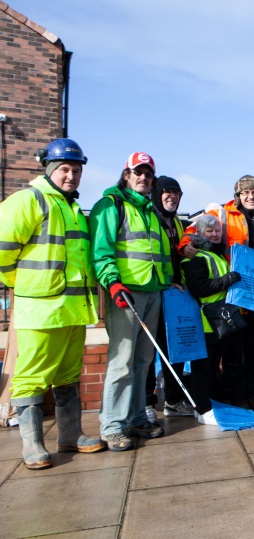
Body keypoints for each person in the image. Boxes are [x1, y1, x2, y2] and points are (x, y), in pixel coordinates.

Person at [0, 139, 104, 469]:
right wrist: (20, 284)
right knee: (31, 377)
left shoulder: (71, 207)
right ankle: (33, 447)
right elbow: (3, 249)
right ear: (49, 170)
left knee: (68, 376)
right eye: (64, 169)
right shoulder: (29, 200)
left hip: (72, 311)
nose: (71, 176)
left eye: (76, 170)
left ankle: (70, 436)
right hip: (41, 310)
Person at [90, 152, 173, 451]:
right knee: (122, 361)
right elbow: (101, 250)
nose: (143, 178)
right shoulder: (111, 205)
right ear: (126, 175)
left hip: (153, 291)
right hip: (125, 294)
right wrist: (112, 283)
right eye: (137, 172)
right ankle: (112, 425)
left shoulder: (150, 210)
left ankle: (137, 417)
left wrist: (167, 281)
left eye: (148, 174)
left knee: (143, 361)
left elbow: (157, 254)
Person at [181, 175, 254, 411]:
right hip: (233, 296)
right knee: (234, 354)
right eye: (245, 193)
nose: (250, 196)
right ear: (238, 196)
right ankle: (236, 397)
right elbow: (196, 229)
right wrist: (184, 244)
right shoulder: (223, 215)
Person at [180, 216, 242, 425]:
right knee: (203, 368)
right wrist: (229, 279)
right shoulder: (195, 256)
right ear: (198, 233)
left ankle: (210, 404)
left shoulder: (215, 255)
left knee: (214, 367)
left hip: (219, 320)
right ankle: (202, 409)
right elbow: (200, 288)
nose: (215, 234)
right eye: (209, 231)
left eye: (217, 230)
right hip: (205, 321)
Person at [145, 176, 195, 421]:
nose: (172, 196)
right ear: (156, 193)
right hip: (153, 291)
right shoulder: (149, 218)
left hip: (173, 295)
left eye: (177, 193)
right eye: (167, 191)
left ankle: (173, 401)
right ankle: (146, 403)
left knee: (173, 349)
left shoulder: (176, 222)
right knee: (147, 351)